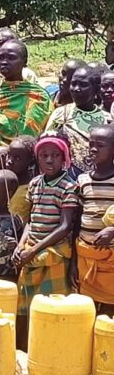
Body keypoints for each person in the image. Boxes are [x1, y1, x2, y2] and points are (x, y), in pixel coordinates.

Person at [14, 136, 77, 319]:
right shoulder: (35, 184)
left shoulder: (69, 187)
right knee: (25, 306)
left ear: (64, 158)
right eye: (44, 155)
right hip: (31, 249)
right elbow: (31, 220)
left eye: (55, 155)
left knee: (51, 308)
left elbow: (64, 227)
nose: (49, 160)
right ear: (37, 158)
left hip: (53, 253)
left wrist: (33, 250)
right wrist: (21, 245)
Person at [0, 40, 51, 145]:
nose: (4, 62)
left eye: (11, 58)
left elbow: (35, 129)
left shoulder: (38, 95)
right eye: (1, 57)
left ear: (25, 61)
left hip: (25, 153)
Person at [75, 125, 114, 312]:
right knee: (87, 313)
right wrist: (73, 262)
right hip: (86, 258)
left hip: (110, 262)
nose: (93, 149)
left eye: (100, 145)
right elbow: (76, 220)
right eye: (91, 144)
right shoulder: (82, 180)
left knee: (108, 315)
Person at [44, 66, 108, 176]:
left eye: (83, 85)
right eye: (73, 84)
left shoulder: (108, 119)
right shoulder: (61, 114)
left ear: (96, 89)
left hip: (100, 179)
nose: (76, 89)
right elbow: (46, 145)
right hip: (66, 180)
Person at [6, 136, 36, 222]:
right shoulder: (0, 180)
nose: (9, 161)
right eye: (9, 155)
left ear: (31, 160)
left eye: (17, 158)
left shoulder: (31, 188)